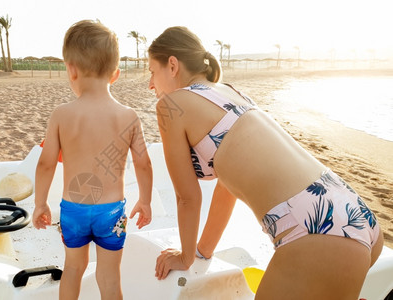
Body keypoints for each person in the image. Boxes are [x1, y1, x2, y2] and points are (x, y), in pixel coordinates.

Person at [149, 26, 383, 299]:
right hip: (354, 210)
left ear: (173, 65)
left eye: (152, 72)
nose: (151, 84)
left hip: (314, 229)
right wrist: (202, 251)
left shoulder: (172, 105)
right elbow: (228, 188)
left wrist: (185, 257)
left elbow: (187, 197)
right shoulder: (229, 92)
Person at [32, 20, 153, 300]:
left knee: (73, 269)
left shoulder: (61, 115)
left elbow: (46, 164)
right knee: (109, 277)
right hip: (111, 212)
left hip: (73, 210)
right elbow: (144, 163)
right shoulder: (128, 116)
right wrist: (144, 200)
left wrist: (41, 203)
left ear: (71, 69)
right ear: (115, 75)